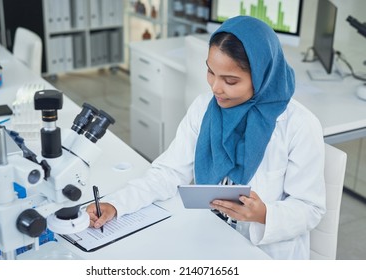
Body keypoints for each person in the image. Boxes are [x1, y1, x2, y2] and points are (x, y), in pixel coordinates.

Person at [86, 16, 326, 260]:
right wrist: (116, 205)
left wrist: (263, 214)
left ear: (262, 74)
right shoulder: (204, 109)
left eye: (230, 81)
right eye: (211, 72)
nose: (215, 88)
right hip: (209, 236)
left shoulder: (299, 125)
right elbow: (168, 172)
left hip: (262, 252)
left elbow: (311, 208)